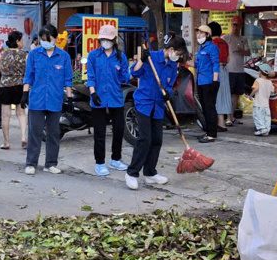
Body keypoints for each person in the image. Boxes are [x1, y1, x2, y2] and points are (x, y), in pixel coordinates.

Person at [126, 37, 186, 189]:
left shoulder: (173, 65)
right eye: (178, 53)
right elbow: (133, 73)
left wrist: (168, 93)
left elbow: (170, 85)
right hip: (144, 103)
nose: (177, 56)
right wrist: (141, 60)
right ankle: (132, 173)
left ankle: (150, 173)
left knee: (157, 139)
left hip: (158, 105)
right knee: (144, 138)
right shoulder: (151, 57)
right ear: (171, 50)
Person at [22, 24, 73, 175]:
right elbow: (28, 76)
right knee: (35, 132)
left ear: (56, 39)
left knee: (53, 133)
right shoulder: (34, 55)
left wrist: (69, 98)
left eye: (48, 39)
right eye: (42, 39)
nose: (45, 42)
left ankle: (50, 163)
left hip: (55, 100)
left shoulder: (63, 56)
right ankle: (31, 163)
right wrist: (25, 94)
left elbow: (68, 79)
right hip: (37, 99)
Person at [86, 25, 131, 176]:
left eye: (108, 39)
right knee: (99, 132)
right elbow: (91, 77)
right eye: (103, 39)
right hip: (98, 97)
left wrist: (124, 71)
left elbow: (125, 78)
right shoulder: (93, 56)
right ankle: (99, 163)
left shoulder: (120, 57)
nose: (105, 41)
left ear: (114, 40)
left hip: (115, 97)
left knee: (119, 128)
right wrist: (92, 93)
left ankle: (116, 159)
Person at [0, 30, 28, 150]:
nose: (23, 42)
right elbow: (29, 72)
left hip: (5, 86)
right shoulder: (25, 55)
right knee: (21, 113)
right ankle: (23, 137)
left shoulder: (3, 55)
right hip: (20, 86)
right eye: (22, 40)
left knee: (6, 116)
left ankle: (6, 142)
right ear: (17, 41)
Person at [194, 24, 220, 143]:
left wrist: (215, 81)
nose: (198, 35)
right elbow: (197, 65)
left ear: (207, 35)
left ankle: (212, 134)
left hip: (209, 82)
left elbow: (215, 64)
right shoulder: (201, 48)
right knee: (204, 108)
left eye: (201, 33)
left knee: (209, 108)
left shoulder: (212, 48)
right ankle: (208, 131)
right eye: (198, 32)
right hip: (201, 81)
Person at [223, 17, 251, 122]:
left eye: (237, 25)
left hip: (240, 69)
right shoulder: (226, 38)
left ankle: (231, 115)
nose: (235, 27)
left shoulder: (243, 39)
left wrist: (242, 51)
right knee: (228, 94)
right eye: (234, 25)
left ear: (241, 26)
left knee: (236, 94)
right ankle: (228, 116)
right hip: (229, 69)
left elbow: (248, 52)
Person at [209, 21, 233, 129]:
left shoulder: (212, 43)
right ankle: (222, 122)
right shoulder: (225, 43)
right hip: (224, 69)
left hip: (215, 70)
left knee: (216, 96)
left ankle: (220, 123)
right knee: (223, 96)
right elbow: (228, 59)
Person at [249, 63, 275, 136]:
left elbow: (256, 89)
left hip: (258, 103)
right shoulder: (270, 82)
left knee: (257, 116)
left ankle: (261, 129)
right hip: (266, 104)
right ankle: (267, 129)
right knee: (266, 117)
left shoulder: (258, 80)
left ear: (260, 72)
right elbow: (273, 91)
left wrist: (251, 96)